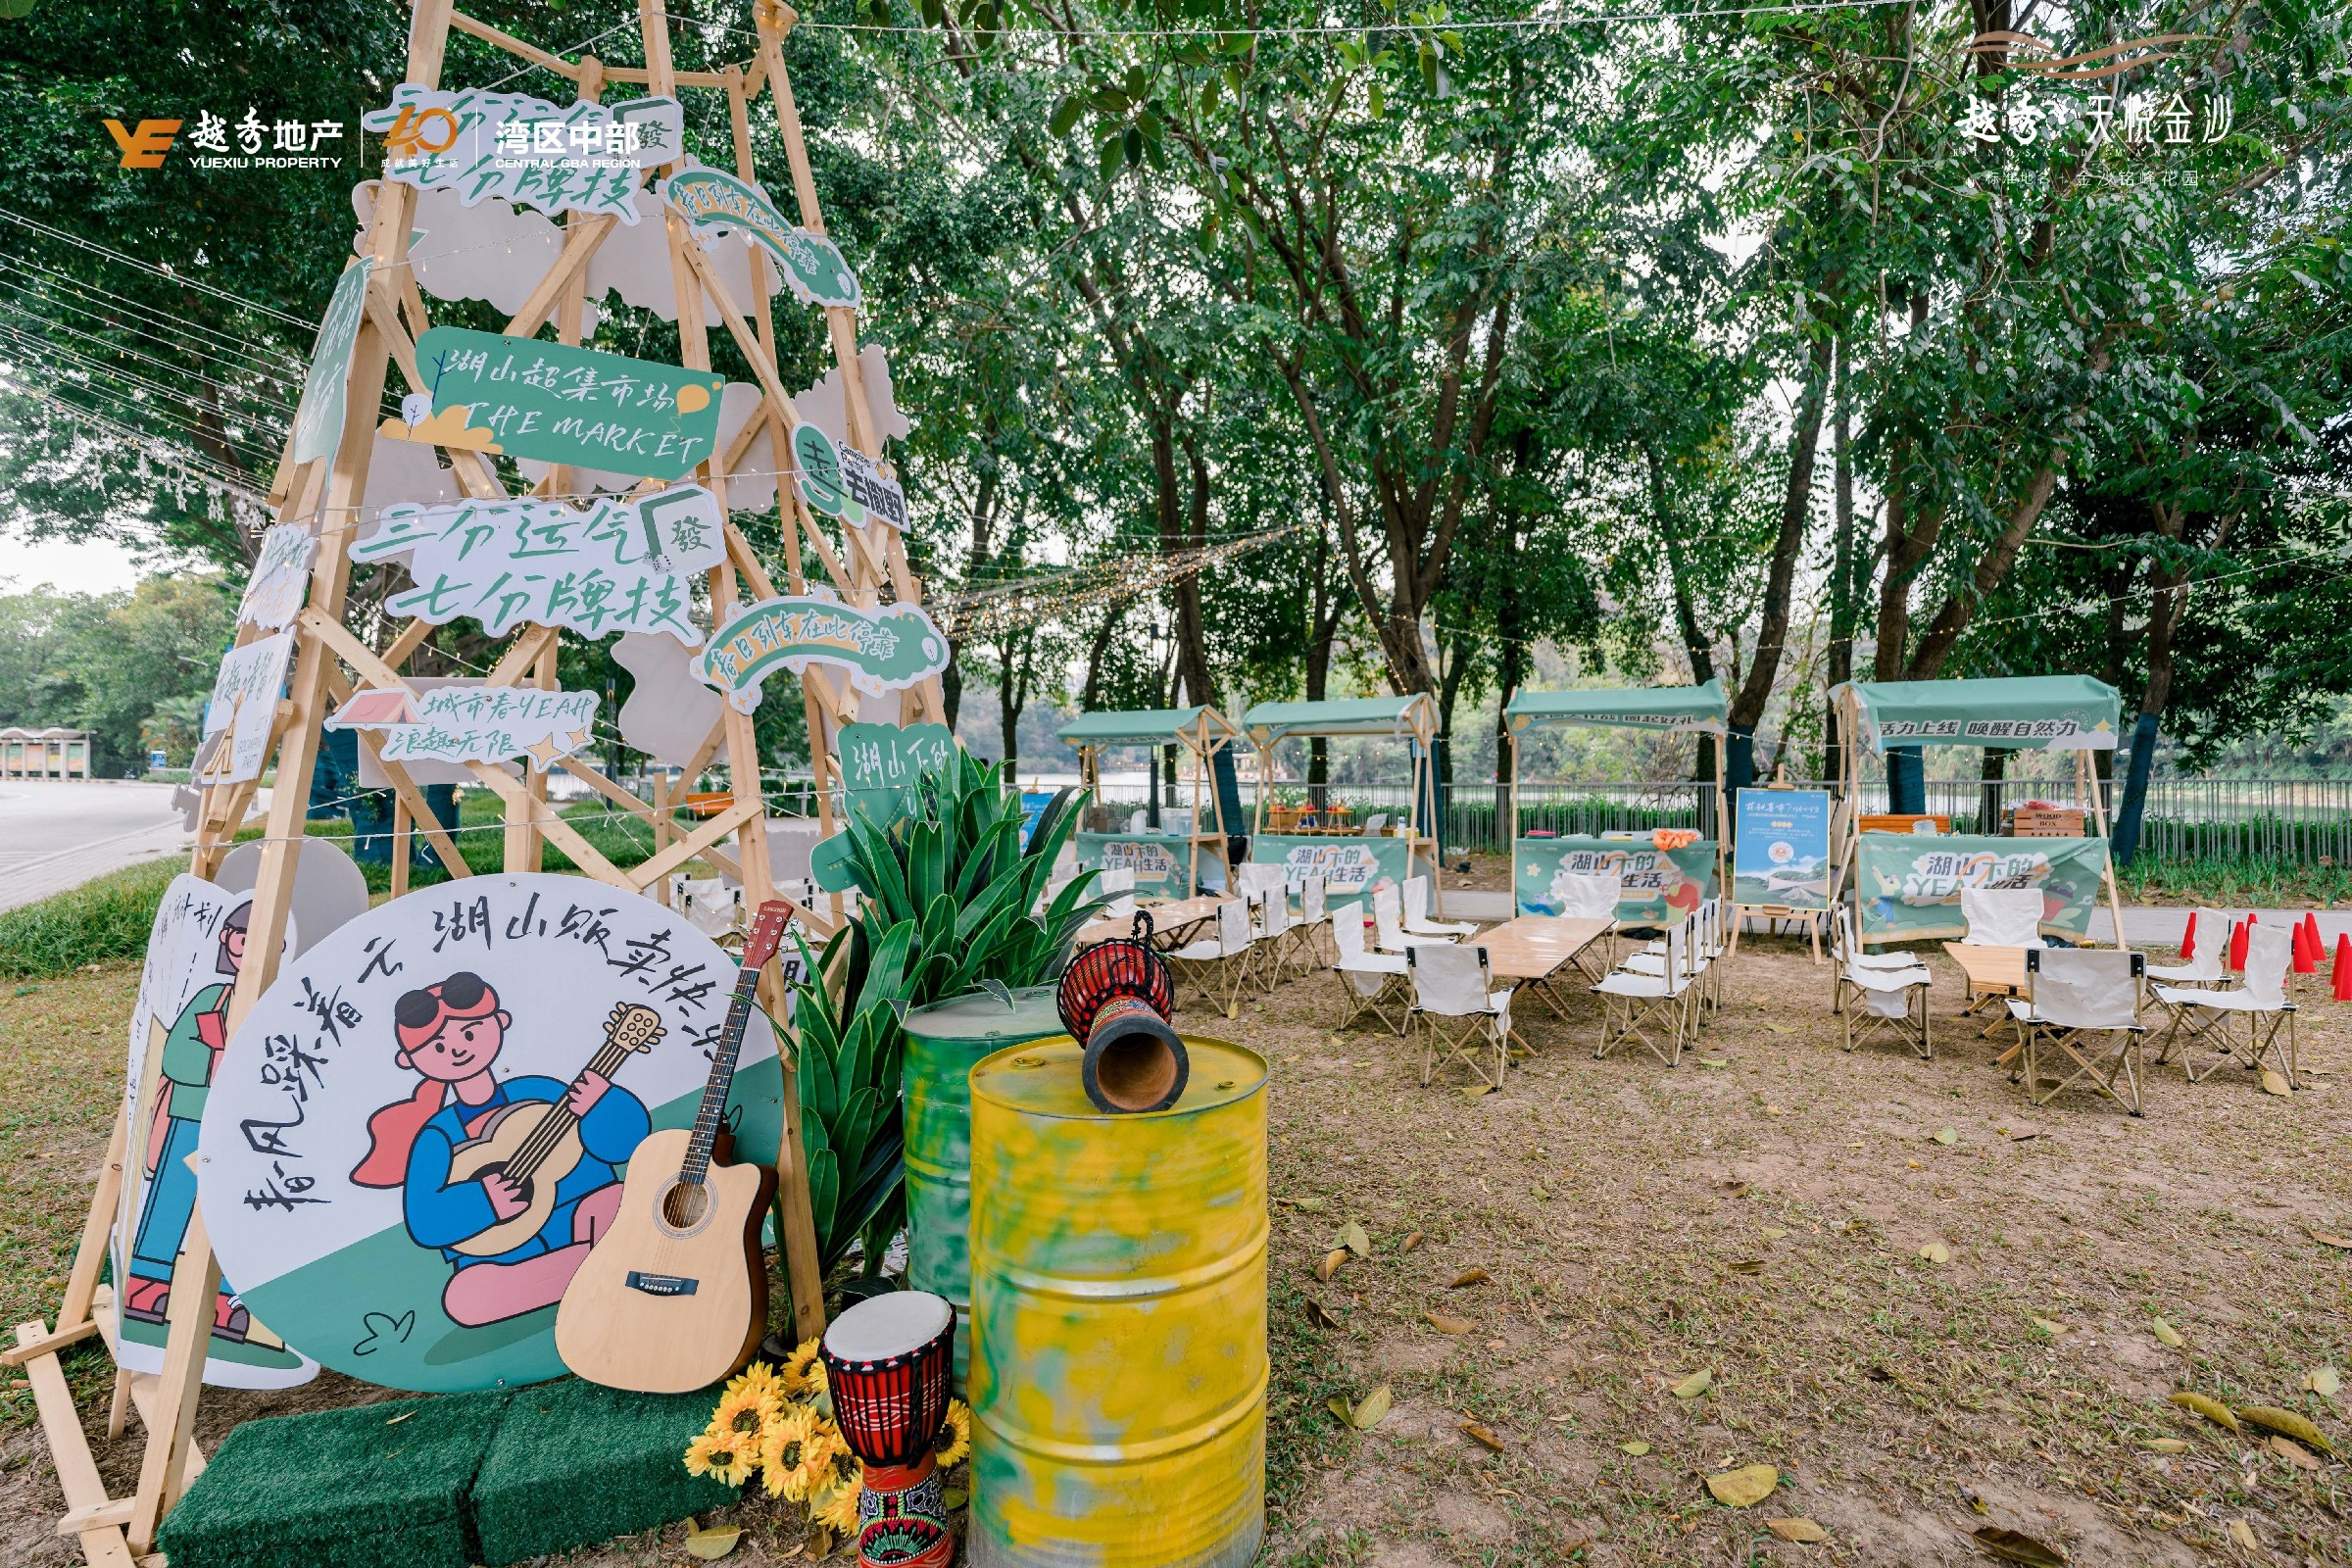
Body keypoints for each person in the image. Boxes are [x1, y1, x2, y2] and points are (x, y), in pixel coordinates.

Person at [351, 972, 651, 1327]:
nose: (458, 1048)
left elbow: (626, 1145)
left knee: (612, 1200)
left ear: (500, 1022)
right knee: (465, 1296)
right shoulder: (437, 1136)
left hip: (575, 1218)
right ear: (409, 1060)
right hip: (501, 1251)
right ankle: (595, 1265)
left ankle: (564, 1274)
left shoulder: (541, 1091)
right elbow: (425, 1220)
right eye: (438, 1047)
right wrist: (483, 1202)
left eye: (469, 1032)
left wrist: (601, 1103)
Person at [124, 902, 254, 1340]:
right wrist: (221, 1059)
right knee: (171, 1201)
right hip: (190, 1115)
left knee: (239, 1209)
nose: (250, 945)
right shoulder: (210, 996)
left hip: (246, 1126)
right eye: (242, 935)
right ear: (227, 940)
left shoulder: (275, 999)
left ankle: (227, 1299)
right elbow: (176, 1056)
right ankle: (147, 1288)